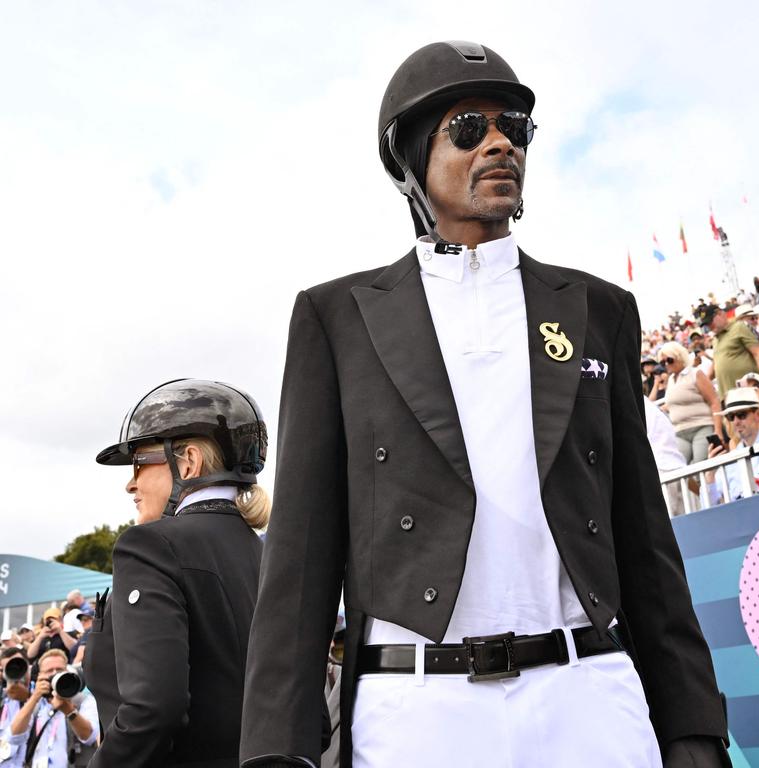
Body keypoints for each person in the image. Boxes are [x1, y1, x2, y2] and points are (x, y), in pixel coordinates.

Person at [240, 40, 729, 768]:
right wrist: (277, 750)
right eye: (469, 128)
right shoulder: (335, 316)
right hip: (416, 713)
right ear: (412, 158)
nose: (499, 142)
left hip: (590, 695)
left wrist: (692, 726)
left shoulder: (602, 309)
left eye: (514, 128)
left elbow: (643, 537)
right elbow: (301, 555)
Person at [86, 379, 269, 768]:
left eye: (140, 462)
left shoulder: (148, 546)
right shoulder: (270, 555)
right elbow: (313, 719)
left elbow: (154, 708)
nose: (130, 483)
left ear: (188, 461)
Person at [1, 649, 98, 768]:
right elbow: (13, 737)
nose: (55, 673)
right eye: (49, 671)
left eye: (59, 669)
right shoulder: (35, 702)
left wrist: (69, 711)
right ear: (39, 676)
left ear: (67, 671)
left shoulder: (82, 700)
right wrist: (34, 697)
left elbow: (90, 737)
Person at [658, 341, 723, 463]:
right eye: (662, 362)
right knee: (678, 468)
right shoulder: (671, 380)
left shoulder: (695, 373)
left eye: (669, 360)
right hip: (679, 432)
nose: (666, 364)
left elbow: (714, 401)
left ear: (679, 357)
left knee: (701, 465)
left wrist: (718, 430)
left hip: (702, 426)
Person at [701, 302, 759, 397]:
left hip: (748, 391)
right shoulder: (715, 339)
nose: (709, 326)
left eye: (710, 322)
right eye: (707, 324)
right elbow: (716, 365)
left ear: (720, 313)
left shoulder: (739, 327)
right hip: (729, 396)